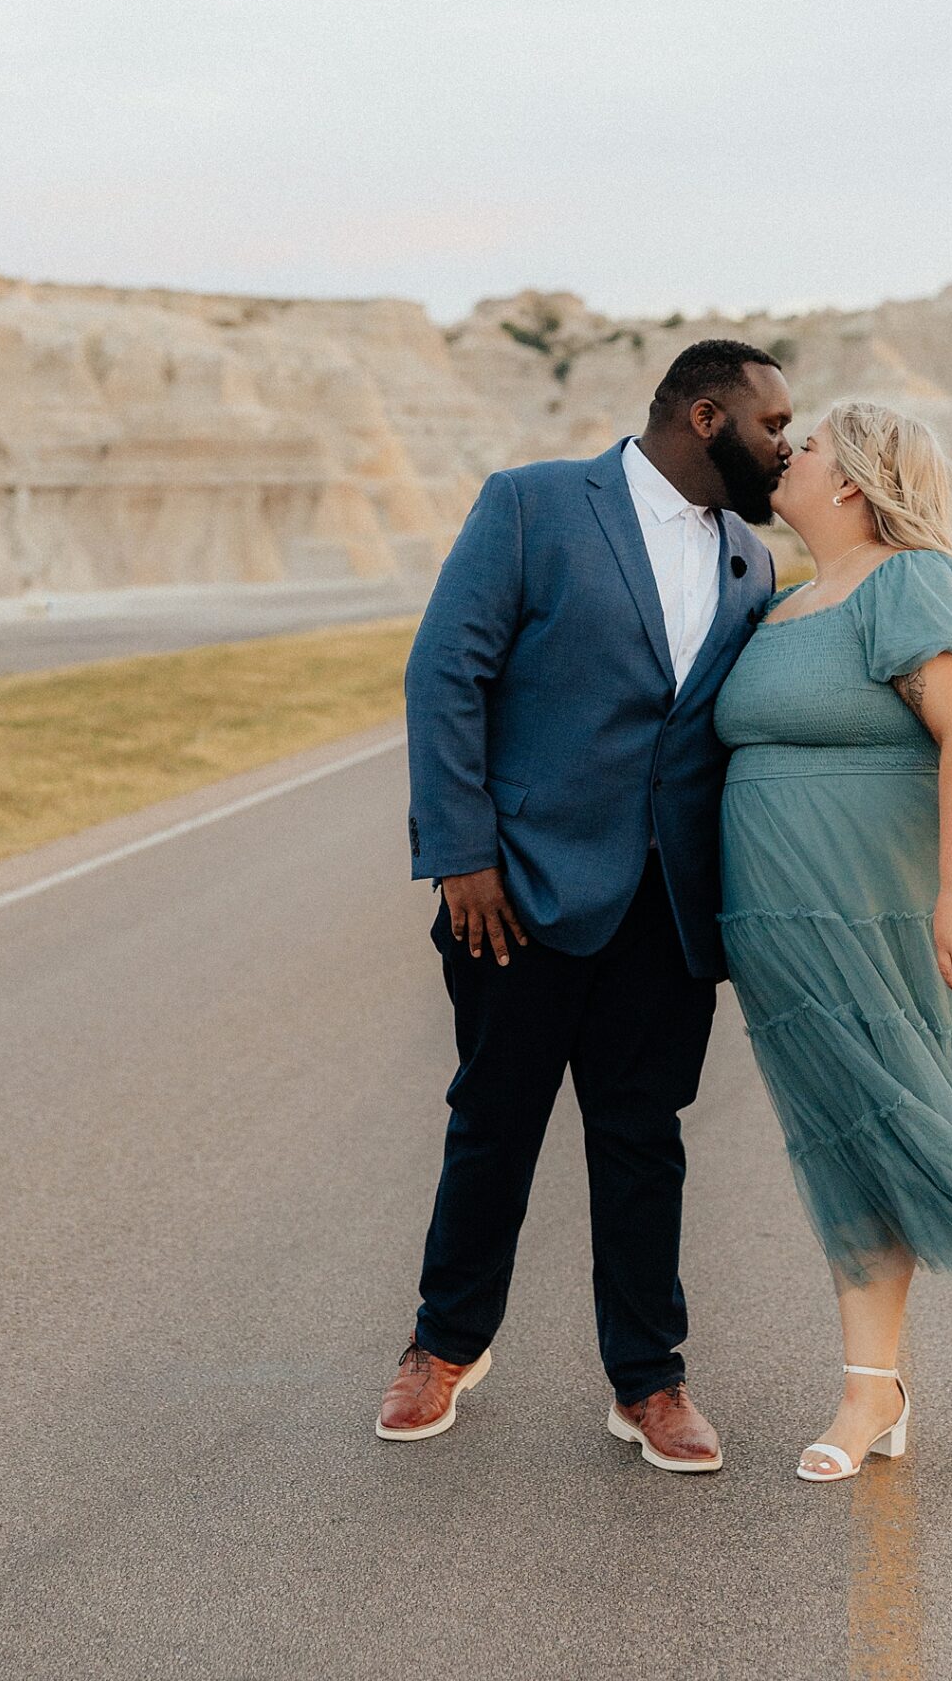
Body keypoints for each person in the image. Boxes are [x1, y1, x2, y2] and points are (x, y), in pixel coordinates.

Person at [376, 341, 792, 1471]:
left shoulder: (753, 561)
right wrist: (461, 852)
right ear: (706, 417)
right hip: (514, 893)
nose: (785, 445)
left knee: (643, 1140)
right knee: (493, 1122)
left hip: (667, 914)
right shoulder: (535, 504)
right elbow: (443, 672)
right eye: (771, 424)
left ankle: (649, 1381)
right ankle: (443, 1345)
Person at [715, 400, 952, 1487]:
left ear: (851, 481)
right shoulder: (786, 603)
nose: (780, 458)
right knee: (846, 1142)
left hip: (901, 915)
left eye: (802, 449)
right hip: (788, 937)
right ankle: (868, 1389)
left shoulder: (915, 581)